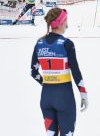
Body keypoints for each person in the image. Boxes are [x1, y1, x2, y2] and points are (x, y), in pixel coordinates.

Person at [30, 7, 88, 135]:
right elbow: (76, 72)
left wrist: (46, 83)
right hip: (64, 98)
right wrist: (83, 94)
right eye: (66, 20)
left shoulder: (39, 43)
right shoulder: (67, 44)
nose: (67, 24)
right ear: (61, 23)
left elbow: (33, 72)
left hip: (46, 98)